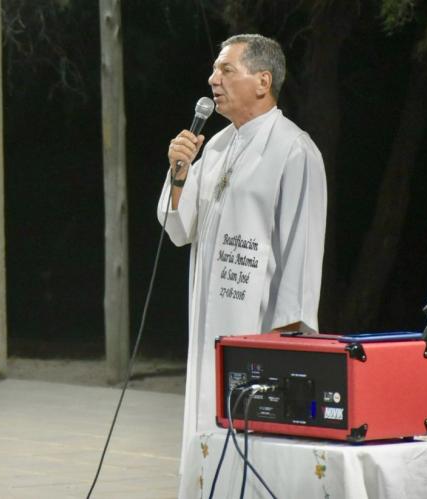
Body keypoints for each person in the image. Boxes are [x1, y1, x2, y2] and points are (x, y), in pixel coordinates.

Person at [156, 34, 327, 490]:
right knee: (208, 438)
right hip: (210, 327)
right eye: (214, 70)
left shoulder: (295, 150)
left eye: (226, 70)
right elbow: (178, 228)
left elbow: (303, 257)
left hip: (259, 336)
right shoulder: (213, 147)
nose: (213, 79)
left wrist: (283, 339)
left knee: (252, 458)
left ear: (262, 81)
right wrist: (178, 173)